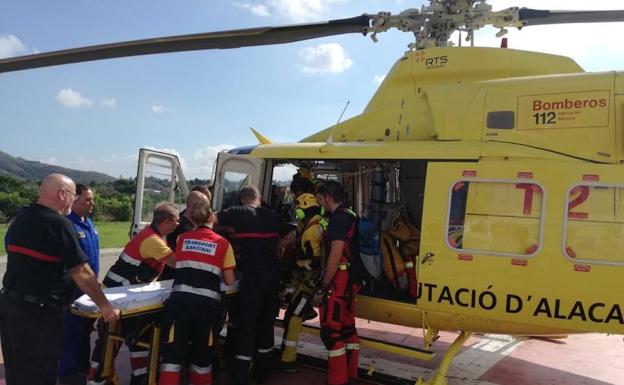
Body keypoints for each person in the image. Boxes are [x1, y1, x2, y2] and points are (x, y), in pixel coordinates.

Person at [0, 173, 119, 385]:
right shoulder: (59, 224)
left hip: (11, 308)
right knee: (41, 373)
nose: (73, 203)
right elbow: (81, 271)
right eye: (74, 197)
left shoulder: (21, 218)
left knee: (17, 370)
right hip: (40, 314)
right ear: (63, 194)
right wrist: (105, 307)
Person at [88, 203, 179, 385]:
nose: (178, 223)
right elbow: (176, 262)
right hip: (118, 297)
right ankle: (97, 379)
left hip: (120, 293)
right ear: (167, 221)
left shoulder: (152, 234)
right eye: (176, 220)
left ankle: (134, 377)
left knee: (125, 339)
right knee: (111, 341)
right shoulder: (153, 241)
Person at [158, 200, 236, 385]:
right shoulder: (224, 244)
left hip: (180, 303)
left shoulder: (182, 239)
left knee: (172, 357)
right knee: (202, 357)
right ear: (212, 217)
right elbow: (230, 280)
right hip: (206, 307)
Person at [217, 185, 284, 385]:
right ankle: (263, 373)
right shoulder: (273, 216)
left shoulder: (238, 213)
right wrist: (277, 247)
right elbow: (290, 235)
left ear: (241, 199)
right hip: (272, 278)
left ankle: (240, 376)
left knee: (246, 327)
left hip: (252, 278)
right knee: (266, 325)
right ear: (259, 198)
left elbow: (209, 220)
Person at [313, 181, 363, 385]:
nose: (320, 203)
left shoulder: (338, 220)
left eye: (321, 199)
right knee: (347, 329)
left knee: (331, 332)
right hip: (352, 281)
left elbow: (335, 254)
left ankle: (337, 380)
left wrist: (323, 287)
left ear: (328, 197)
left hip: (339, 281)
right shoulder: (351, 216)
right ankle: (350, 374)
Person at [58, 184, 101, 385]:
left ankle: (81, 371)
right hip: (74, 290)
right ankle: (68, 375)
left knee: (85, 332)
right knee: (71, 334)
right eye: (87, 199)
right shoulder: (68, 225)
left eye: (92, 199)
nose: (92, 203)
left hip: (89, 289)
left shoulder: (89, 224)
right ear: (74, 200)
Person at [278, 192, 324, 373]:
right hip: (305, 281)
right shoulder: (316, 226)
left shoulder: (310, 233)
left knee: (295, 317)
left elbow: (314, 262)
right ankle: (285, 351)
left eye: (299, 212)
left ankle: (288, 359)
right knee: (291, 314)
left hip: (308, 282)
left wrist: (294, 263)